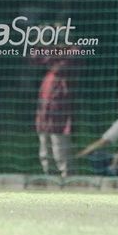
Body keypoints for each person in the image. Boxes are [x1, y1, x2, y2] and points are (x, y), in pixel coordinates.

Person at [33, 48, 77, 178]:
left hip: (59, 113)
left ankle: (66, 175)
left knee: (59, 146)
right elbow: (35, 57)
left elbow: (65, 62)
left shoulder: (72, 53)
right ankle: (49, 174)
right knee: (44, 147)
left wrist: (55, 51)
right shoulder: (48, 76)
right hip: (44, 113)